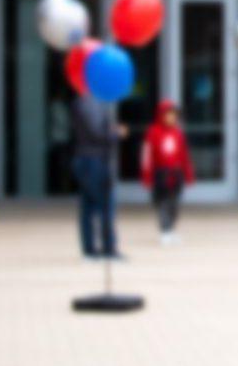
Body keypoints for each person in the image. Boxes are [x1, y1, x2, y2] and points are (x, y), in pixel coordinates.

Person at [71, 92, 127, 260]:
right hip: (94, 161)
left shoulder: (86, 102)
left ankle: (91, 249)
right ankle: (107, 247)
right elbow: (96, 132)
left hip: (89, 159)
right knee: (103, 205)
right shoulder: (90, 102)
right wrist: (116, 133)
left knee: (89, 207)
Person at [140, 100, 194, 245]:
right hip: (161, 174)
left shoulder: (178, 133)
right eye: (169, 114)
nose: (172, 118)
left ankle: (172, 229)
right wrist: (147, 176)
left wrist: (188, 173)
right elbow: (147, 155)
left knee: (175, 204)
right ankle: (165, 230)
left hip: (176, 173)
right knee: (163, 203)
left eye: (174, 115)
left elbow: (184, 155)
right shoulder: (153, 132)